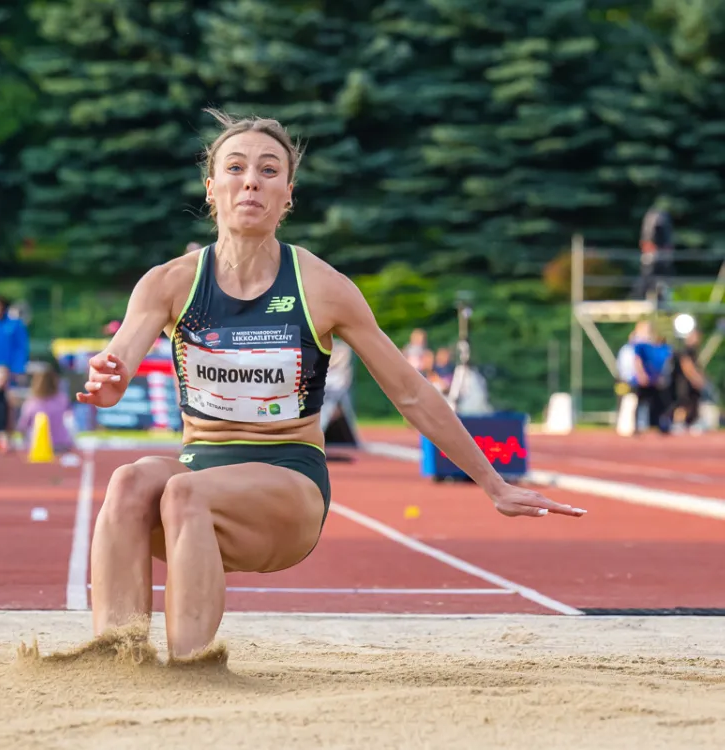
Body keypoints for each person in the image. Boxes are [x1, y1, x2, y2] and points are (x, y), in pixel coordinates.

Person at [75, 108, 586, 661]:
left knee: (183, 491)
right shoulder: (169, 284)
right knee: (129, 482)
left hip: (286, 484)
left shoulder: (322, 288)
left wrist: (494, 483)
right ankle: (116, 656)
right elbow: (118, 362)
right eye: (237, 167)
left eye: (269, 170)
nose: (252, 180)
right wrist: (107, 382)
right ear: (212, 188)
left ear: (287, 195)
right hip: (200, 469)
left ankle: (192, 668)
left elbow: (410, 390)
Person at [17, 367, 75, 453]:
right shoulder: (62, 399)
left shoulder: (32, 403)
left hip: (39, 445)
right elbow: (70, 421)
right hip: (61, 443)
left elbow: (23, 426)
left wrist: (25, 442)